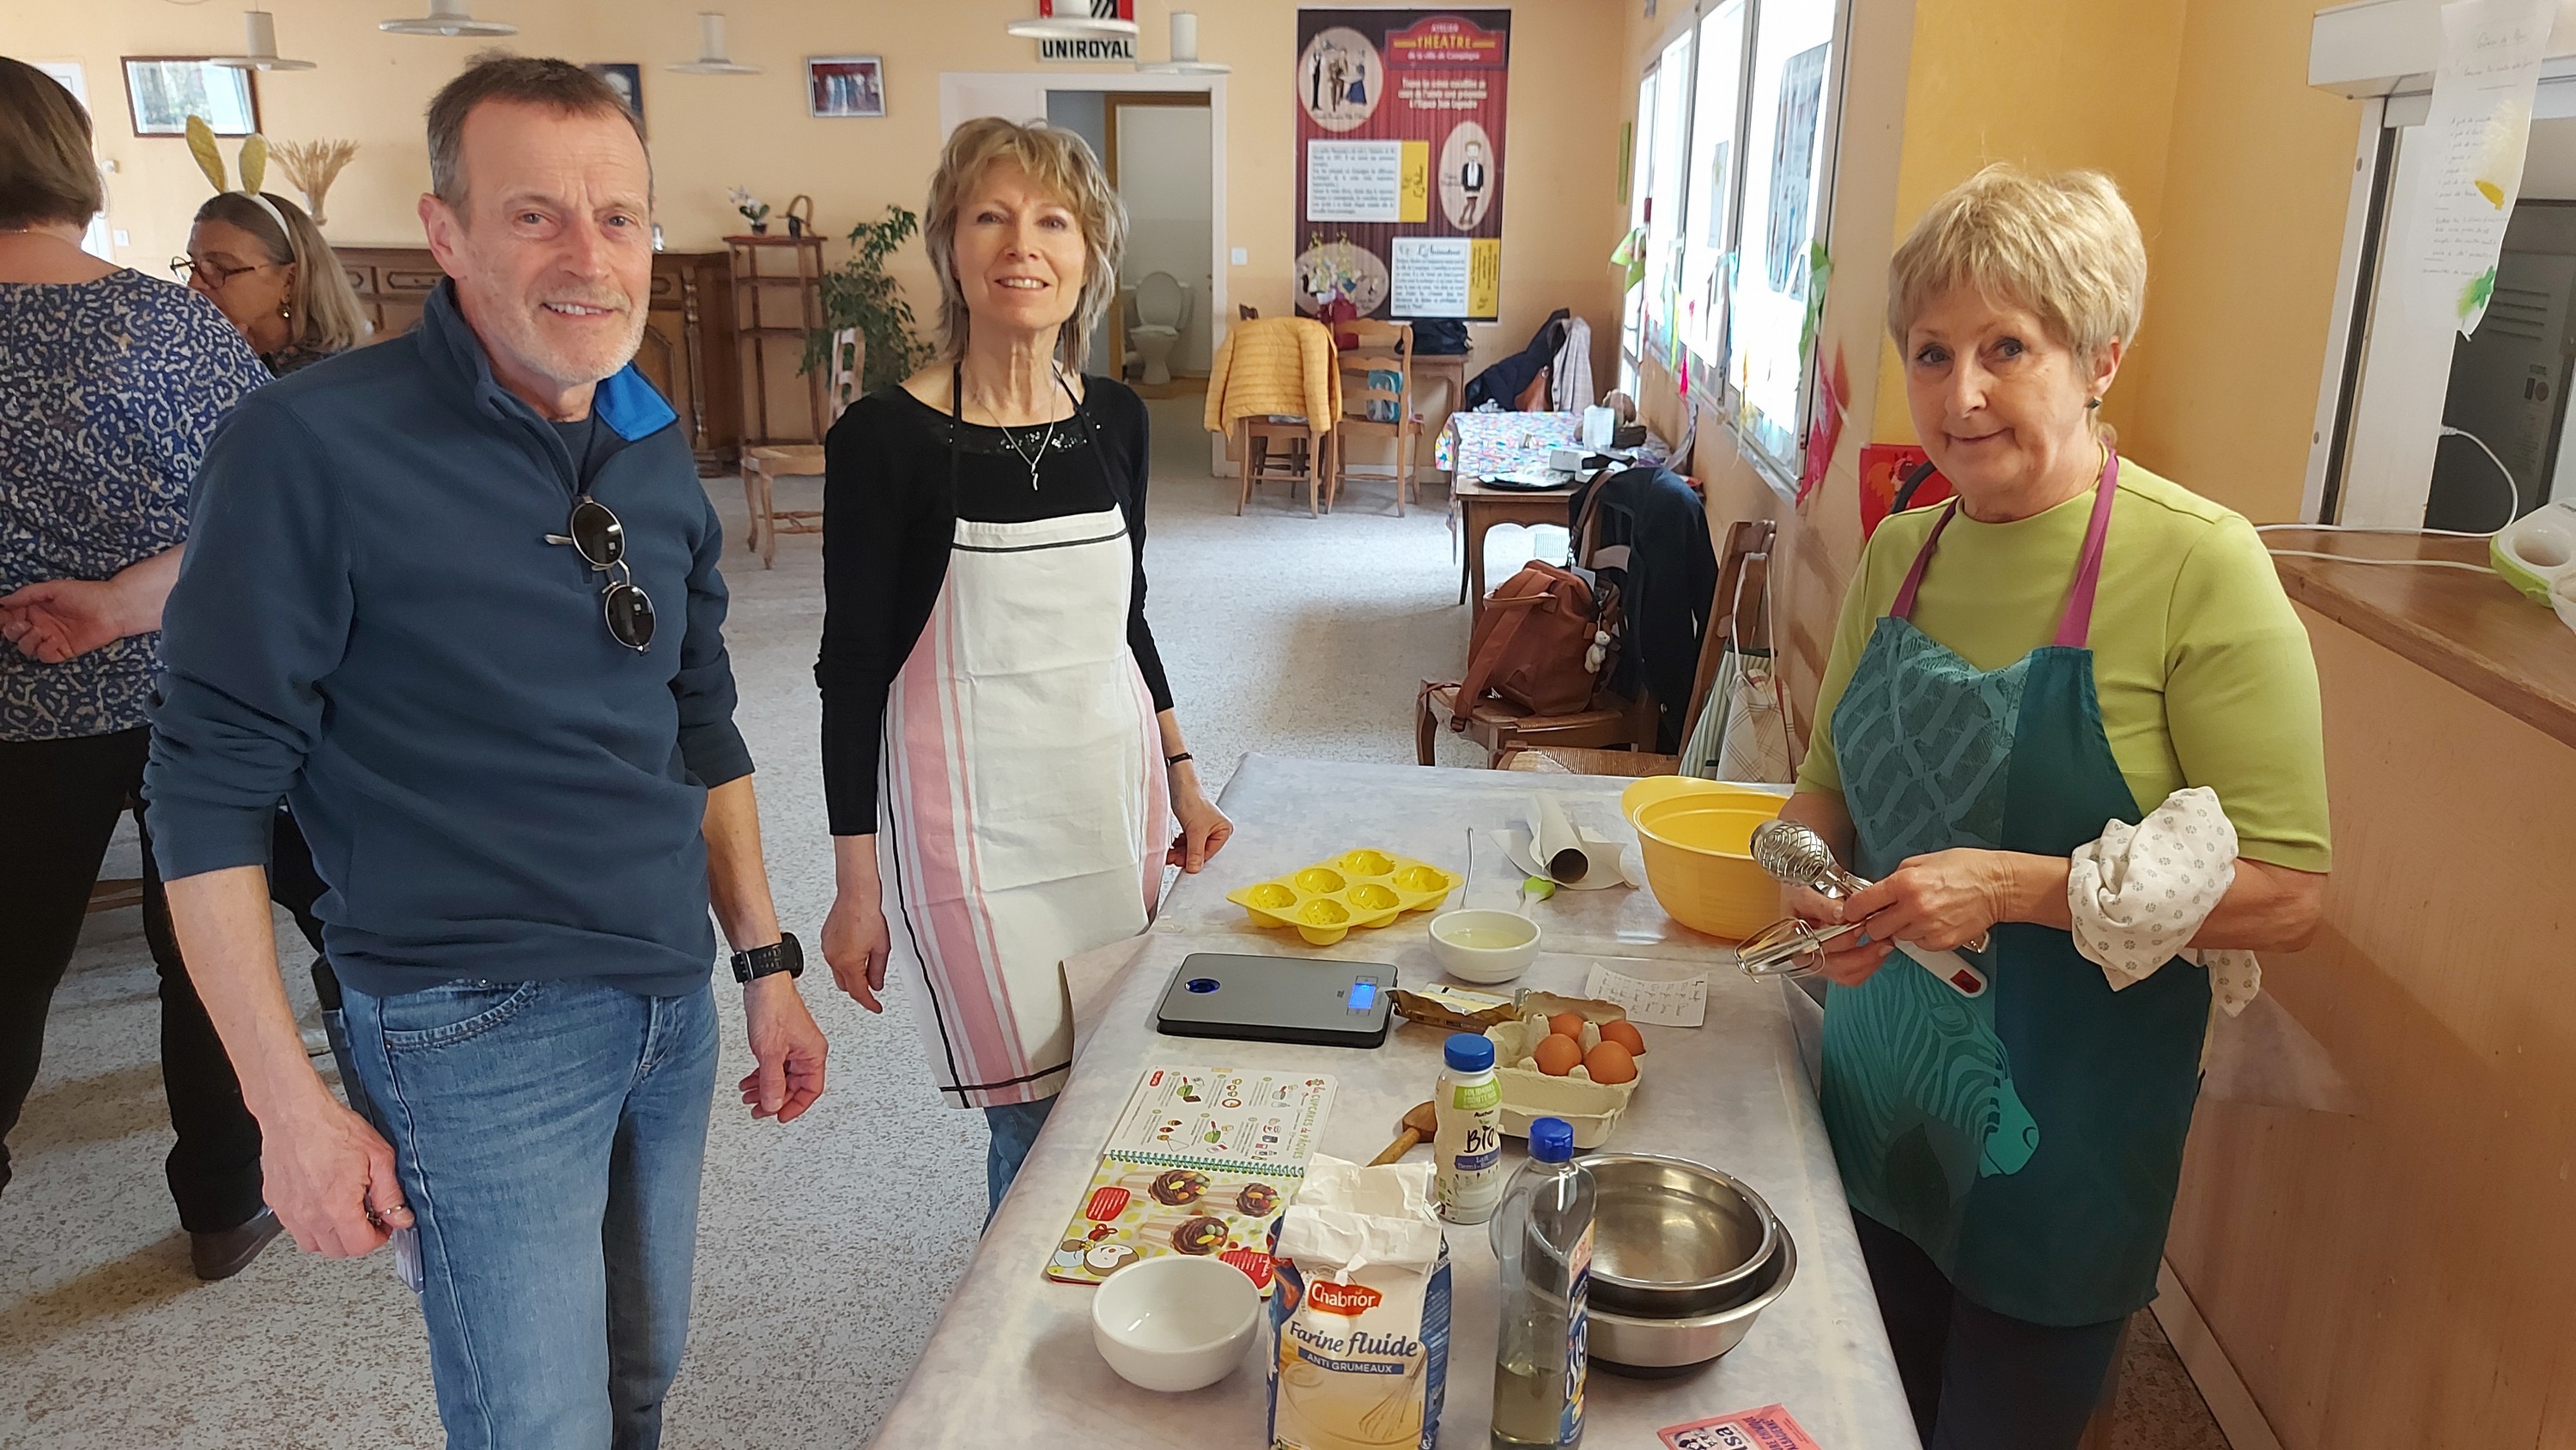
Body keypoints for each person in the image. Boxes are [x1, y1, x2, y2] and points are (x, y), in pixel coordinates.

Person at [146, 55, 829, 1447]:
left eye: (620, 215)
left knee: (642, 1372)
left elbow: (699, 711)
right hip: (473, 1019)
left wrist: (762, 960)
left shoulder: (644, 430)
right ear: (444, 231)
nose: (589, 256)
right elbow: (205, 784)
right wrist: (287, 1105)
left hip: (665, 996)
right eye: (536, 215)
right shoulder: (306, 446)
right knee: (536, 1419)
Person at [1779, 163, 2331, 1450]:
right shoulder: (1897, 554)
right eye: (1931, 352)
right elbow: (1824, 790)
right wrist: (1804, 870)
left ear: (2099, 358)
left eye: (2006, 347)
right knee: (1857, 1412)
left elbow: (2294, 899)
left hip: (2063, 1141)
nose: (1959, 395)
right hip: (1873, 1104)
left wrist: (2016, 887)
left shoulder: (2201, 566)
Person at [817, 118, 1232, 1215]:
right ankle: (1017, 1357)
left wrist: (1182, 770)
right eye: (990, 216)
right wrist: (856, 888)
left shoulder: (1120, 424)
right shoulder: (884, 440)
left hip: (1106, 803)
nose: (1022, 244)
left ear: (1090, 252)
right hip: (971, 836)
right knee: (1036, 1116)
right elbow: (850, 668)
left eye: (1053, 220)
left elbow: (1124, 617)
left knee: (1118, 1078)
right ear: (951, 242)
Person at [0, 57, 285, 1281]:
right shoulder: (175, 323)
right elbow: (268, 519)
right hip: (194, 695)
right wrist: (122, 604)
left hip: (16, 715)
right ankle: (223, 1206)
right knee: (209, 954)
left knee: (7, 967)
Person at [179, 185, 374, 1088]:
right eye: (194, 268)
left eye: (224, 269)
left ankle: (368, 1052)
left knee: (328, 894)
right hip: (236, 666)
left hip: (324, 690)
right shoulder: (221, 378)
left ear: (290, 277)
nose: (200, 289)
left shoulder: (315, 403)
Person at [178, 187, 368, 376]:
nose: (194, 285)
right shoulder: (205, 354)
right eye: (193, 266)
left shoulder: (322, 379)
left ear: (290, 282)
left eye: (219, 267)